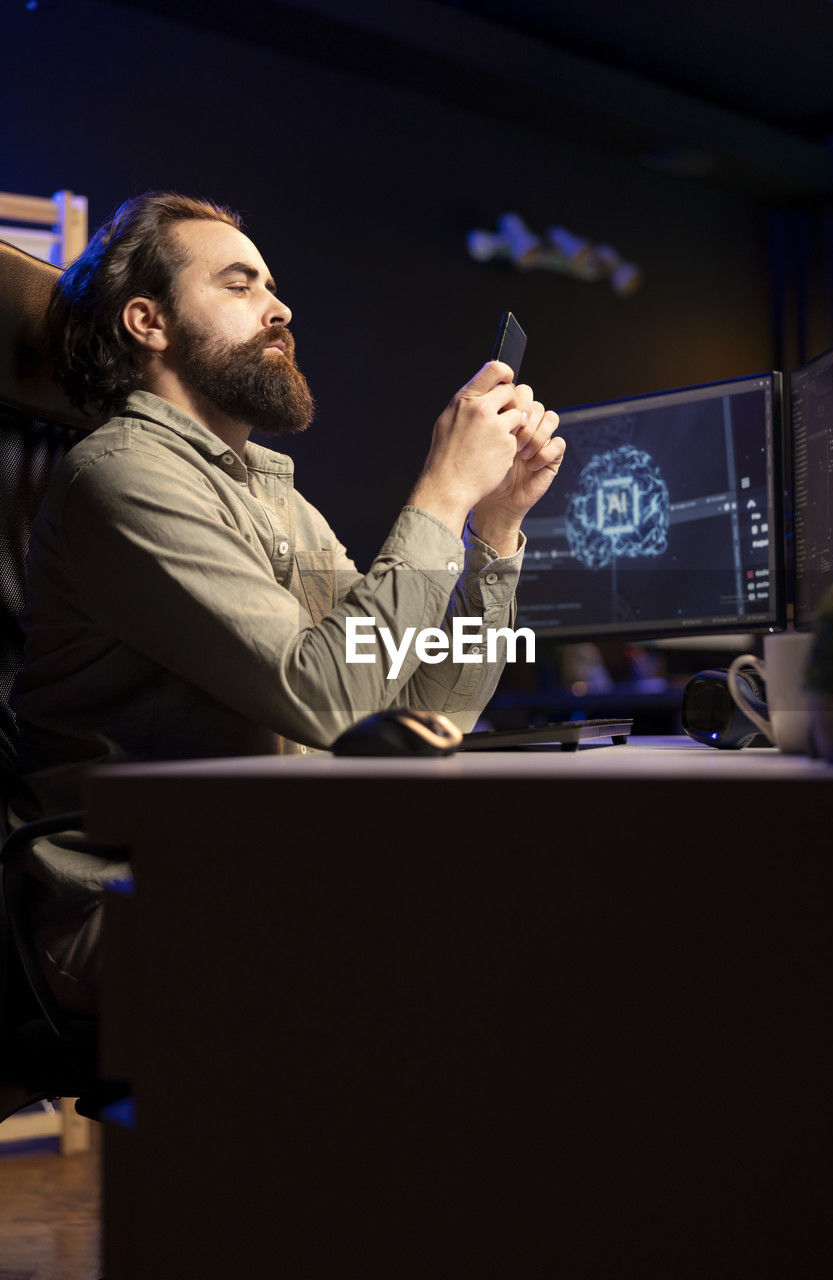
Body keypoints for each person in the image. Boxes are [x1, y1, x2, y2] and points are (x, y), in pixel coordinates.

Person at [9, 191, 565, 1013]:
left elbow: (420, 711)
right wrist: (443, 493)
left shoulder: (276, 499)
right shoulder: (121, 474)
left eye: (271, 286)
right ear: (147, 322)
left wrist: (493, 529)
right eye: (239, 285)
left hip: (268, 864)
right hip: (135, 902)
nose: (279, 308)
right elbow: (330, 700)